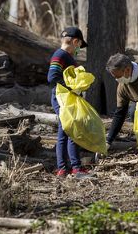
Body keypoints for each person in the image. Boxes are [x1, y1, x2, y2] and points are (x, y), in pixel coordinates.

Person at [47, 26, 91, 177]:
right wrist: (71, 88)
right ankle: (75, 168)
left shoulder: (66, 56)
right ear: (75, 41)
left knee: (65, 131)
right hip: (62, 98)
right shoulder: (60, 55)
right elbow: (52, 77)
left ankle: (63, 169)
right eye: (79, 46)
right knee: (71, 130)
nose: (79, 49)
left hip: (66, 98)